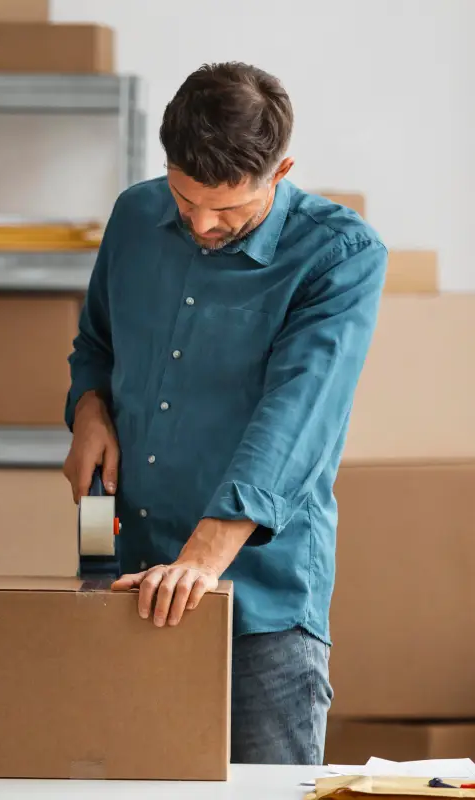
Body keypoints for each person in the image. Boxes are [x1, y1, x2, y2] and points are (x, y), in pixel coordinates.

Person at [62, 62, 387, 765]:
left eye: (229, 210)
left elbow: (298, 419)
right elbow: (95, 344)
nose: (202, 224)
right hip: (120, 577)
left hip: (260, 608)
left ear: (282, 169)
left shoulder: (340, 255)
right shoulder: (133, 216)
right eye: (185, 201)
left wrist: (201, 562)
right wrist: (88, 408)